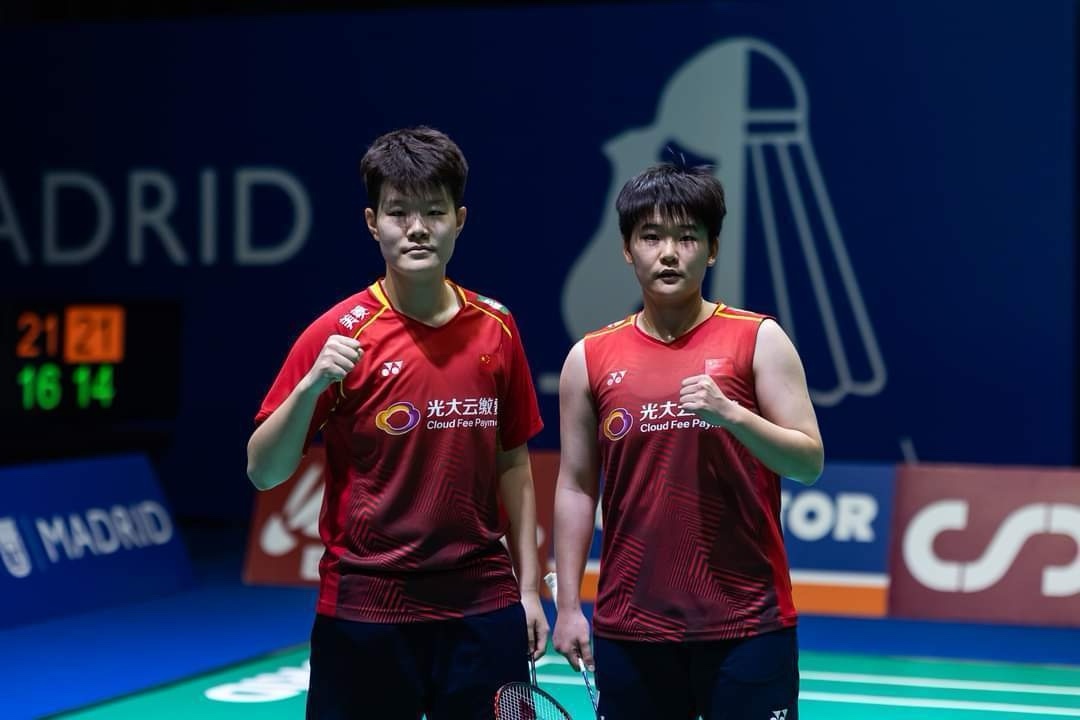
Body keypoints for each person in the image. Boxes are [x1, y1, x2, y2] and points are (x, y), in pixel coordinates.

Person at [246, 126, 548, 720]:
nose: (417, 228)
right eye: (398, 212)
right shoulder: (337, 333)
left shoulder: (497, 327)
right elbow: (263, 471)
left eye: (434, 212)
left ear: (459, 220)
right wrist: (310, 388)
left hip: (481, 602)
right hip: (366, 607)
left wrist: (530, 589)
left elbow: (513, 463)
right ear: (372, 222)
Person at [551, 162, 824, 720]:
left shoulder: (759, 339)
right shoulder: (590, 358)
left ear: (713, 249)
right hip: (631, 627)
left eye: (688, 238)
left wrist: (733, 415)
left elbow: (808, 462)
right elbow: (576, 487)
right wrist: (568, 605)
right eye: (651, 237)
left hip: (747, 624)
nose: (669, 254)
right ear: (628, 249)